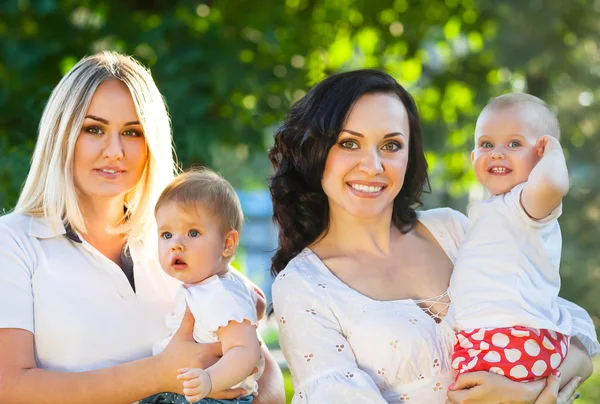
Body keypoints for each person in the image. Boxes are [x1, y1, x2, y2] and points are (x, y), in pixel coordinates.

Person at [268, 69, 598, 403]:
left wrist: (524, 392)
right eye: (349, 143)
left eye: (391, 145)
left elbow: (577, 336)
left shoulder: (453, 230)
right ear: (314, 151)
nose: (373, 165)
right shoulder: (303, 286)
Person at [0, 52, 284, 404]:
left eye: (132, 133)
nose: (114, 151)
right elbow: (9, 388)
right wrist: (160, 374)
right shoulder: (12, 241)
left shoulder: (176, 241)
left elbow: (261, 365)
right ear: (62, 135)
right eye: (94, 129)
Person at [449, 93, 572, 381]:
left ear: (541, 154)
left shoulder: (526, 202)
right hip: (489, 337)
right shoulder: (490, 208)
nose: (497, 153)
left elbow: (553, 183)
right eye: (486, 144)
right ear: (473, 157)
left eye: (514, 143)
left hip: (513, 336)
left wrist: (554, 152)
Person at [141, 169, 265, 404]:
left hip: (211, 398)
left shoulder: (221, 293)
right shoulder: (201, 287)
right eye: (166, 234)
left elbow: (245, 350)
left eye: (193, 232)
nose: (176, 244)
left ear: (227, 244)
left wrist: (209, 379)